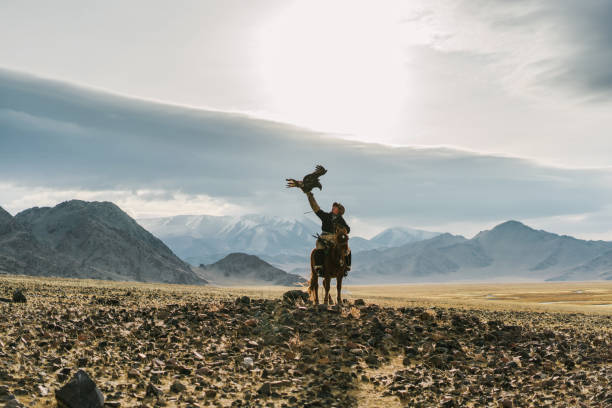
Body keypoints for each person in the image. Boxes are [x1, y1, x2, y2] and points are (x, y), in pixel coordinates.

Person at [305, 191, 351, 275]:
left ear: (339, 211)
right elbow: (316, 208)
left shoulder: (341, 220)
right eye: (334, 206)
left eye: (336, 207)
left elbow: (348, 229)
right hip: (324, 238)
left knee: (346, 250)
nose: (333, 207)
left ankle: (347, 267)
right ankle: (318, 267)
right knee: (319, 249)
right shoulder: (325, 216)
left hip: (335, 239)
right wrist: (310, 197)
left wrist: (342, 229)